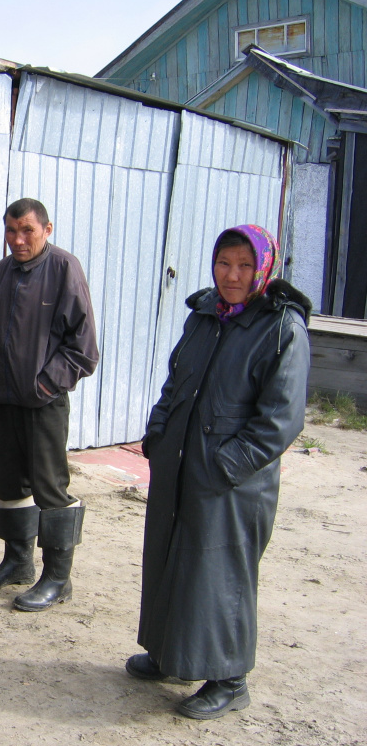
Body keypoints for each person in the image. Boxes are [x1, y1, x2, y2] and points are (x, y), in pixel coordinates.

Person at [126, 225, 311, 720]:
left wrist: (226, 465)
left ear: (264, 269)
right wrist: (159, 434)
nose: (232, 275)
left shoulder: (280, 328)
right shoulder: (205, 315)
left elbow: (280, 420)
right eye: (224, 263)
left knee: (220, 574)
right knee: (171, 560)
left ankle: (229, 679)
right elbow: (175, 380)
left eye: (244, 266)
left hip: (233, 482)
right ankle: (168, 653)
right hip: (182, 465)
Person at [0, 198, 99, 612]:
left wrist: (44, 384)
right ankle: (17, 561)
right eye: (11, 231)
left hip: (42, 404)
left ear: (47, 229)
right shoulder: (2, 272)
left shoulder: (64, 269)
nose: (18, 240)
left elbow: (83, 348)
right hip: (0, 399)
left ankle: (58, 577)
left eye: (27, 230)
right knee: (7, 481)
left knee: (49, 486)